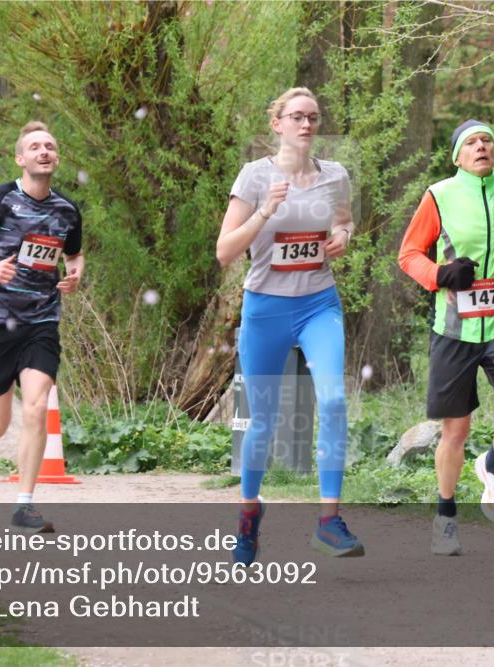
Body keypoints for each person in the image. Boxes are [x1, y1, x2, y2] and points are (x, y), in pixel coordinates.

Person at [217, 87, 360, 564]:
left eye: (313, 118)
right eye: (296, 117)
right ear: (276, 124)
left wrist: (341, 235)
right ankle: (249, 512)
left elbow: (343, 221)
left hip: (319, 302)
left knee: (335, 400)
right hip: (266, 309)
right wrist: (265, 211)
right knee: (261, 423)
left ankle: (328, 521)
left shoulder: (334, 175)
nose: (306, 125)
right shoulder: (255, 176)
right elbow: (224, 252)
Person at [398, 119, 494, 556]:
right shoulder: (439, 195)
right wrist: (440, 275)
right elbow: (408, 255)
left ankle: (492, 466)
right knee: (454, 431)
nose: (481, 147)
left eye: (487, 141)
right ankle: (445, 516)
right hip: (454, 329)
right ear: (457, 156)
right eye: (472, 143)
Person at [0, 121, 84, 534]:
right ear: (20, 159)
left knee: (39, 405)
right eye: (35, 146)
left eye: (50, 145)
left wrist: (74, 276)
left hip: (41, 319)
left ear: (56, 158)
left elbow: (75, 255)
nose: (44, 151)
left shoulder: (67, 210)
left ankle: (24, 507)